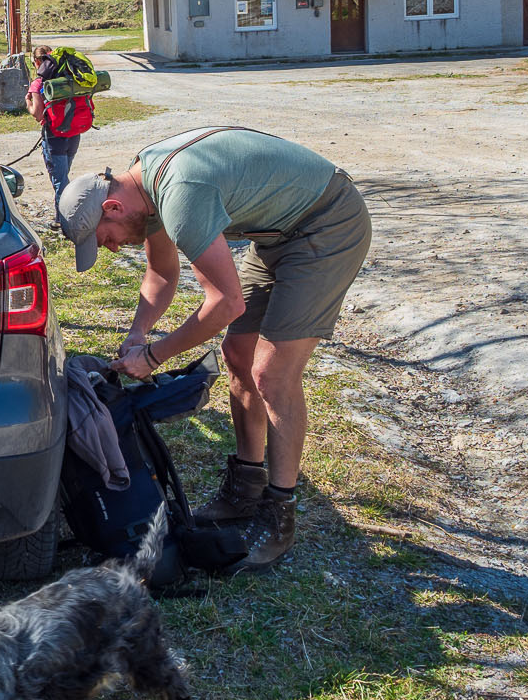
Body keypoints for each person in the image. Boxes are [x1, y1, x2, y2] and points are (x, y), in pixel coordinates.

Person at [55, 127, 372, 572]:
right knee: (238, 356)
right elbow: (162, 273)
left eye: (103, 237)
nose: (108, 247)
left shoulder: (179, 195)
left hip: (328, 223)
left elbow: (226, 302)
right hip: (280, 233)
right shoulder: (144, 188)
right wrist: (137, 335)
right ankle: (245, 488)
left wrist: (155, 356)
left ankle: (278, 517)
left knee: (271, 373)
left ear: (112, 206)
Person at [23, 44, 94, 226]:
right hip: (74, 134)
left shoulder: (39, 82)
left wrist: (28, 103)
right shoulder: (70, 77)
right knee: (63, 179)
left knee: (60, 183)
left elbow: (38, 114)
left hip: (54, 137)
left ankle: (66, 222)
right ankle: (61, 218)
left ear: (38, 61)